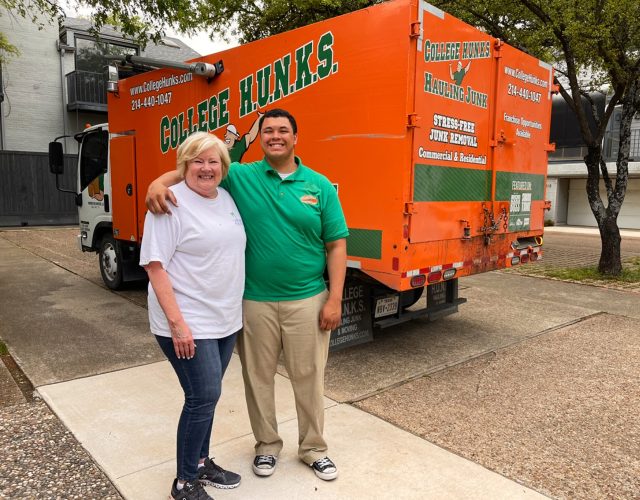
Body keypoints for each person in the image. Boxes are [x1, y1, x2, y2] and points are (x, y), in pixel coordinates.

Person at [146, 108, 349, 481]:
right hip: (253, 300)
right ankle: (267, 447)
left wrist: (334, 298)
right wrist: (158, 184)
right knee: (258, 379)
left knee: (309, 376)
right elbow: (201, 165)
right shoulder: (241, 175)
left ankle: (313, 448)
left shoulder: (318, 185)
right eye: (268, 130)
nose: (275, 136)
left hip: (307, 298)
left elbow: (336, 244)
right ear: (261, 137)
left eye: (283, 130)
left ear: (295, 137)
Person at [140, 132, 246, 500]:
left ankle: (201, 462)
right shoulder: (169, 202)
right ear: (183, 165)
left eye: (213, 161)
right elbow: (155, 267)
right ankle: (184, 482)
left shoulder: (228, 198)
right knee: (202, 395)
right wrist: (178, 325)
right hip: (187, 321)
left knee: (209, 397)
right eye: (197, 160)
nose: (206, 168)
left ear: (223, 166)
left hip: (224, 319)